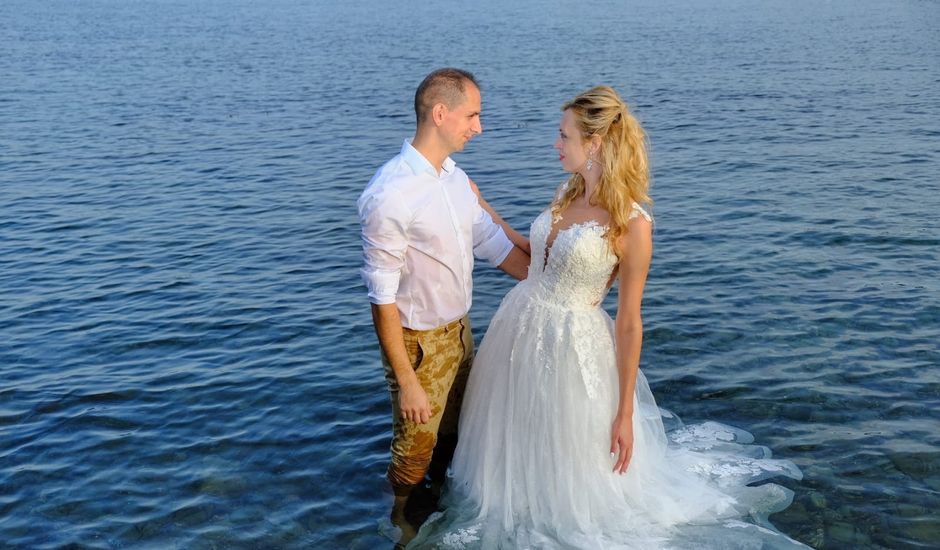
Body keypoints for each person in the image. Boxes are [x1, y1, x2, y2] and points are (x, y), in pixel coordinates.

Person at [409, 86, 808, 549]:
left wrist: (623, 413)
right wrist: (484, 208)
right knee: (514, 437)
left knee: (566, 448)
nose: (555, 144)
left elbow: (629, 321)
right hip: (517, 327)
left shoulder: (631, 224)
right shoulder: (567, 191)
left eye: (563, 136)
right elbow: (536, 257)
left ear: (594, 143)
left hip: (571, 342)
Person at [357, 68, 530, 545]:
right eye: (472, 115)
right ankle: (401, 529)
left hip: (460, 331)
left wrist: (553, 282)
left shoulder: (454, 178)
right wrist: (408, 381)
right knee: (414, 448)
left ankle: (440, 515)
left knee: (454, 435)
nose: (479, 126)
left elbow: (494, 245)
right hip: (418, 343)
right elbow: (382, 298)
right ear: (440, 113)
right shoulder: (390, 194)